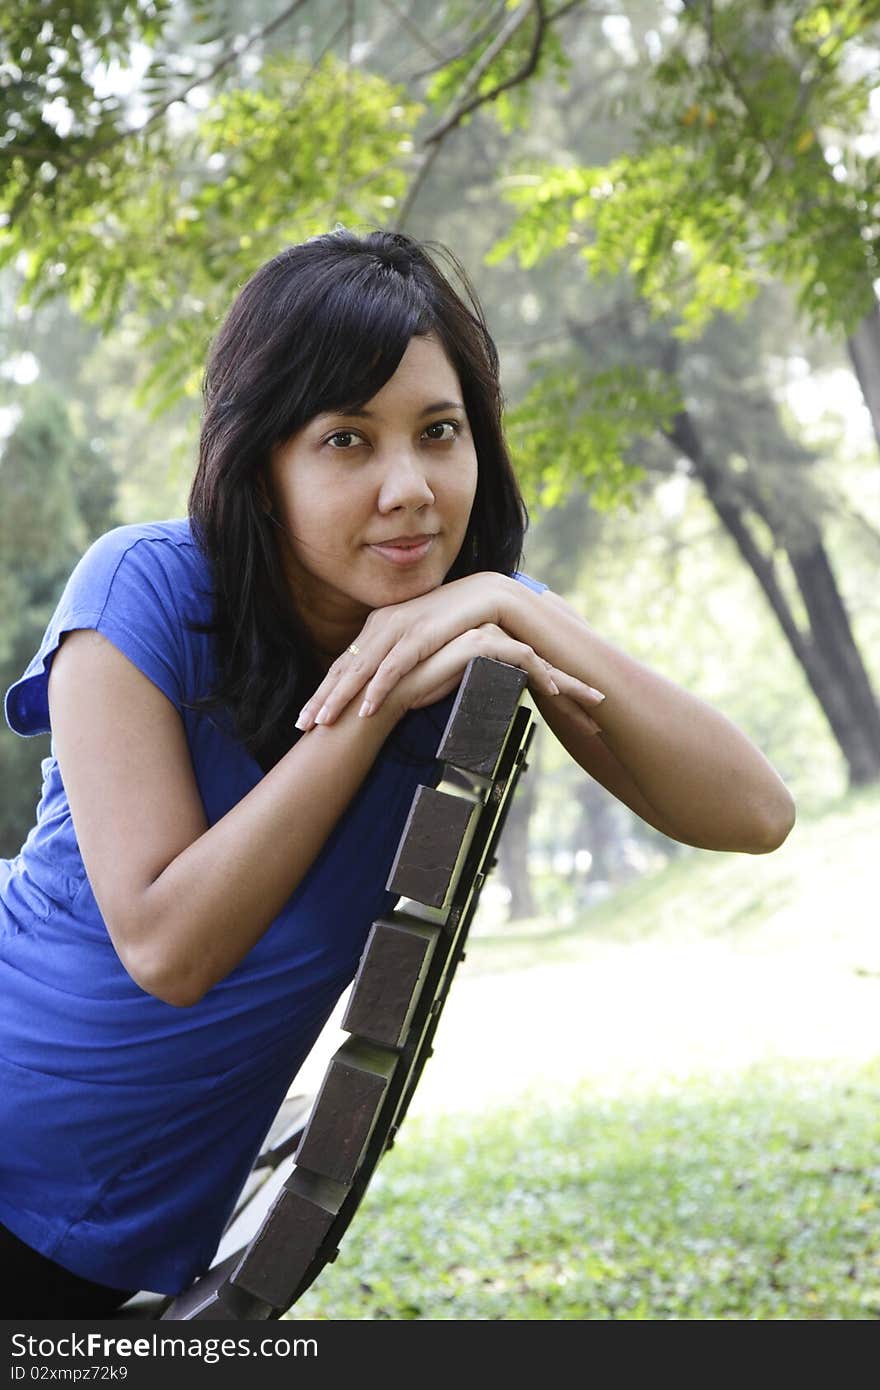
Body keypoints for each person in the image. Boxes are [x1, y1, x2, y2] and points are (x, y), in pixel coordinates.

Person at [0, 228, 796, 1318]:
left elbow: (756, 812)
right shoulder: (143, 590)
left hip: (86, 1244)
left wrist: (511, 600)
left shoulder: (478, 632)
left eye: (438, 432)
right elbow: (168, 945)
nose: (409, 486)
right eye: (345, 441)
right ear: (261, 462)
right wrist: (373, 700)